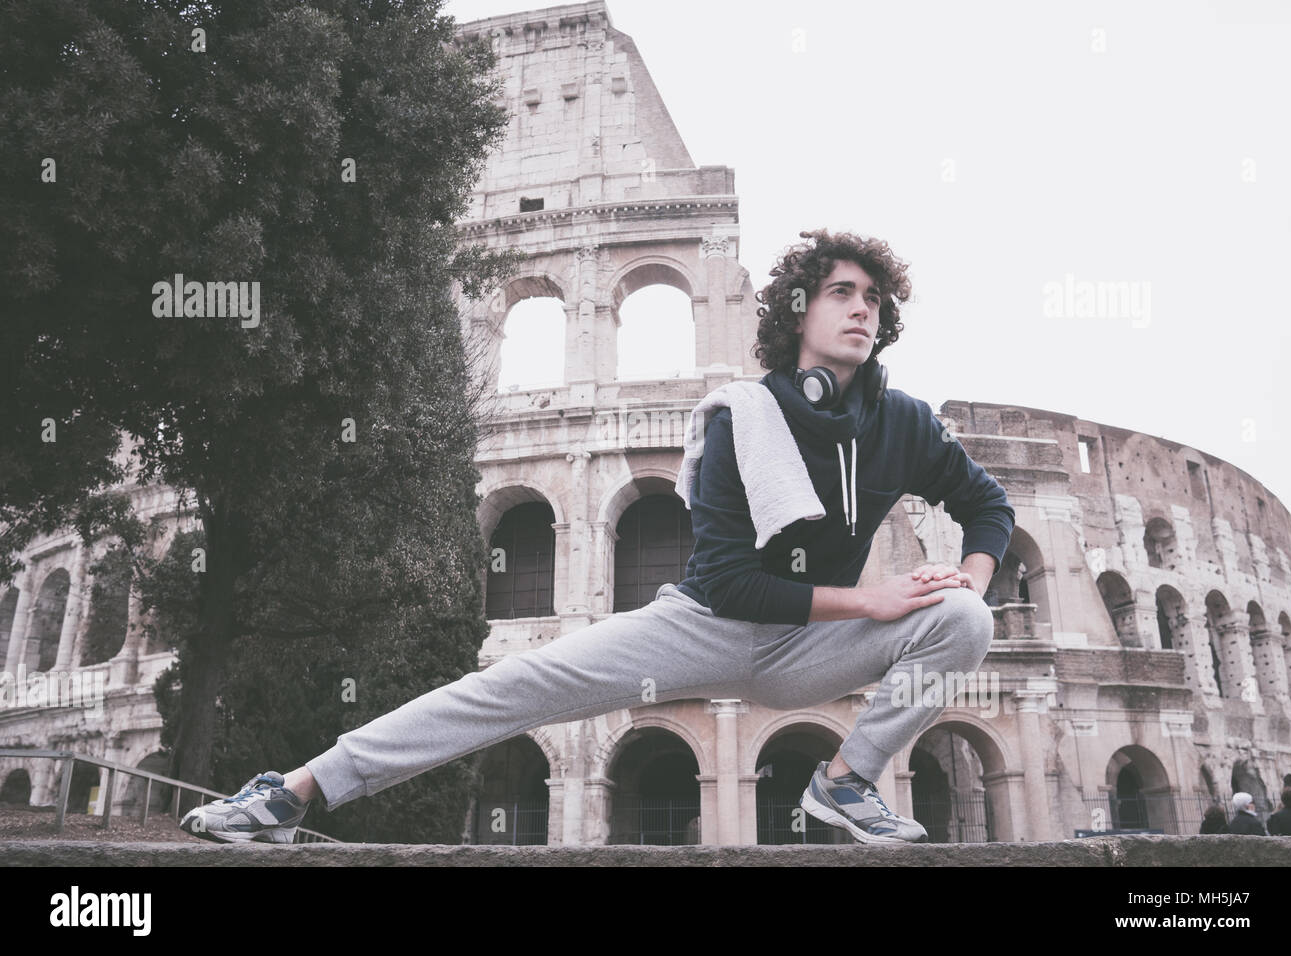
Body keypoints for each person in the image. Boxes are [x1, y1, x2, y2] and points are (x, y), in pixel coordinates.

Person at [179, 228, 1015, 846]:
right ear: (799, 310)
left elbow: (989, 506)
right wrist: (866, 597)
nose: (861, 310)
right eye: (842, 293)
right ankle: (292, 792)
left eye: (873, 299)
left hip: (812, 646)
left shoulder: (902, 423)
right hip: (703, 627)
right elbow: (728, 582)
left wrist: (969, 577)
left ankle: (845, 783)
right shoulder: (743, 417)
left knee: (964, 623)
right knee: (514, 689)